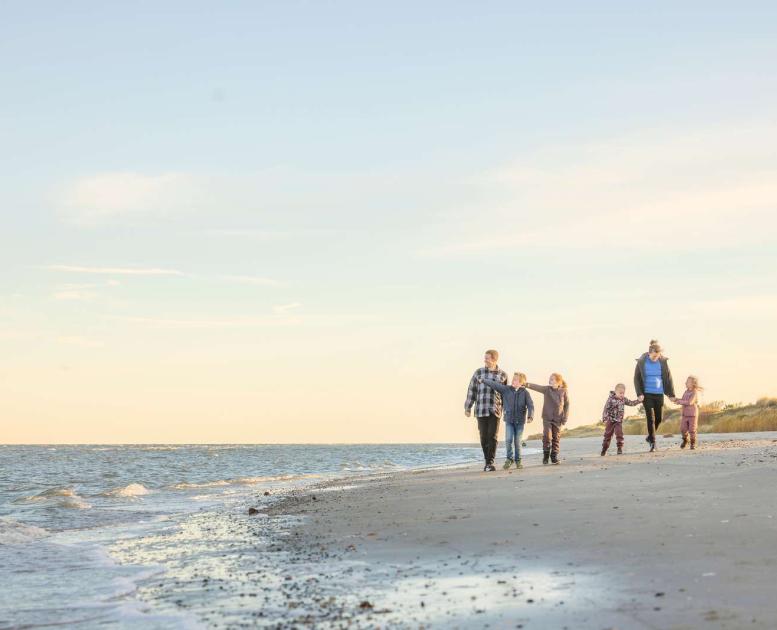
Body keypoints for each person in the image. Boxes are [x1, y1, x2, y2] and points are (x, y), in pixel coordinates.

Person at [479, 372, 534, 469]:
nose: (513, 381)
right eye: (513, 379)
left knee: (517, 442)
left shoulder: (525, 393)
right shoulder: (506, 389)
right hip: (509, 420)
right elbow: (495, 385)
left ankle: (518, 460)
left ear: (521, 383)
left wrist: (530, 416)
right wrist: (484, 380)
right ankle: (509, 458)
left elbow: (530, 405)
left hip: (520, 421)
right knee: (508, 440)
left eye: (516, 380)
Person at [465, 350, 508, 472]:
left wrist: (506, 410)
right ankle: (487, 460)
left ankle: (490, 462)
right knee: (483, 437)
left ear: (494, 360)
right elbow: (471, 390)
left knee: (492, 436)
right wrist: (468, 407)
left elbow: (505, 393)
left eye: (487, 358)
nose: (485, 360)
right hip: (480, 409)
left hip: (495, 409)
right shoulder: (478, 372)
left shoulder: (503, 375)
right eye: (485, 358)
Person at [634, 339, 675, 452]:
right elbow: (636, 379)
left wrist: (671, 394)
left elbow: (668, 378)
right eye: (653, 357)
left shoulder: (663, 361)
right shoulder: (642, 361)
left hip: (659, 393)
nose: (655, 358)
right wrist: (639, 393)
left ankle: (649, 437)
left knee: (659, 418)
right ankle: (653, 442)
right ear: (649, 353)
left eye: (657, 356)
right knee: (650, 418)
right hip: (646, 394)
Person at [526, 374, 570, 465]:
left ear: (558, 382)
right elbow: (537, 387)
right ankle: (546, 455)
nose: (550, 380)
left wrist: (565, 417)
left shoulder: (564, 391)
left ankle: (554, 457)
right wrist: (526, 384)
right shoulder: (546, 389)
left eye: (552, 379)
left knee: (556, 437)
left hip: (558, 419)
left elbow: (567, 405)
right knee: (547, 436)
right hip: (547, 417)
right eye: (550, 379)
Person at [600, 383, 641, 456]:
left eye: (623, 393)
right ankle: (604, 449)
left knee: (619, 434)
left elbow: (631, 403)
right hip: (610, 420)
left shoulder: (623, 399)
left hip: (618, 421)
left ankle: (619, 448)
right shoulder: (610, 399)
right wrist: (605, 418)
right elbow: (606, 409)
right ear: (615, 392)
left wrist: (639, 400)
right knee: (607, 435)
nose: (622, 394)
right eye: (620, 393)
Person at [672, 376, 703, 450]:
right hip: (685, 414)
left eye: (687, 381)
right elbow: (683, 400)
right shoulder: (686, 392)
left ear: (693, 383)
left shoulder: (694, 392)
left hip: (692, 414)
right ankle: (685, 440)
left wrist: (679, 402)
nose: (685, 382)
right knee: (683, 429)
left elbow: (690, 402)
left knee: (692, 429)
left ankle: (692, 443)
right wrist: (676, 400)